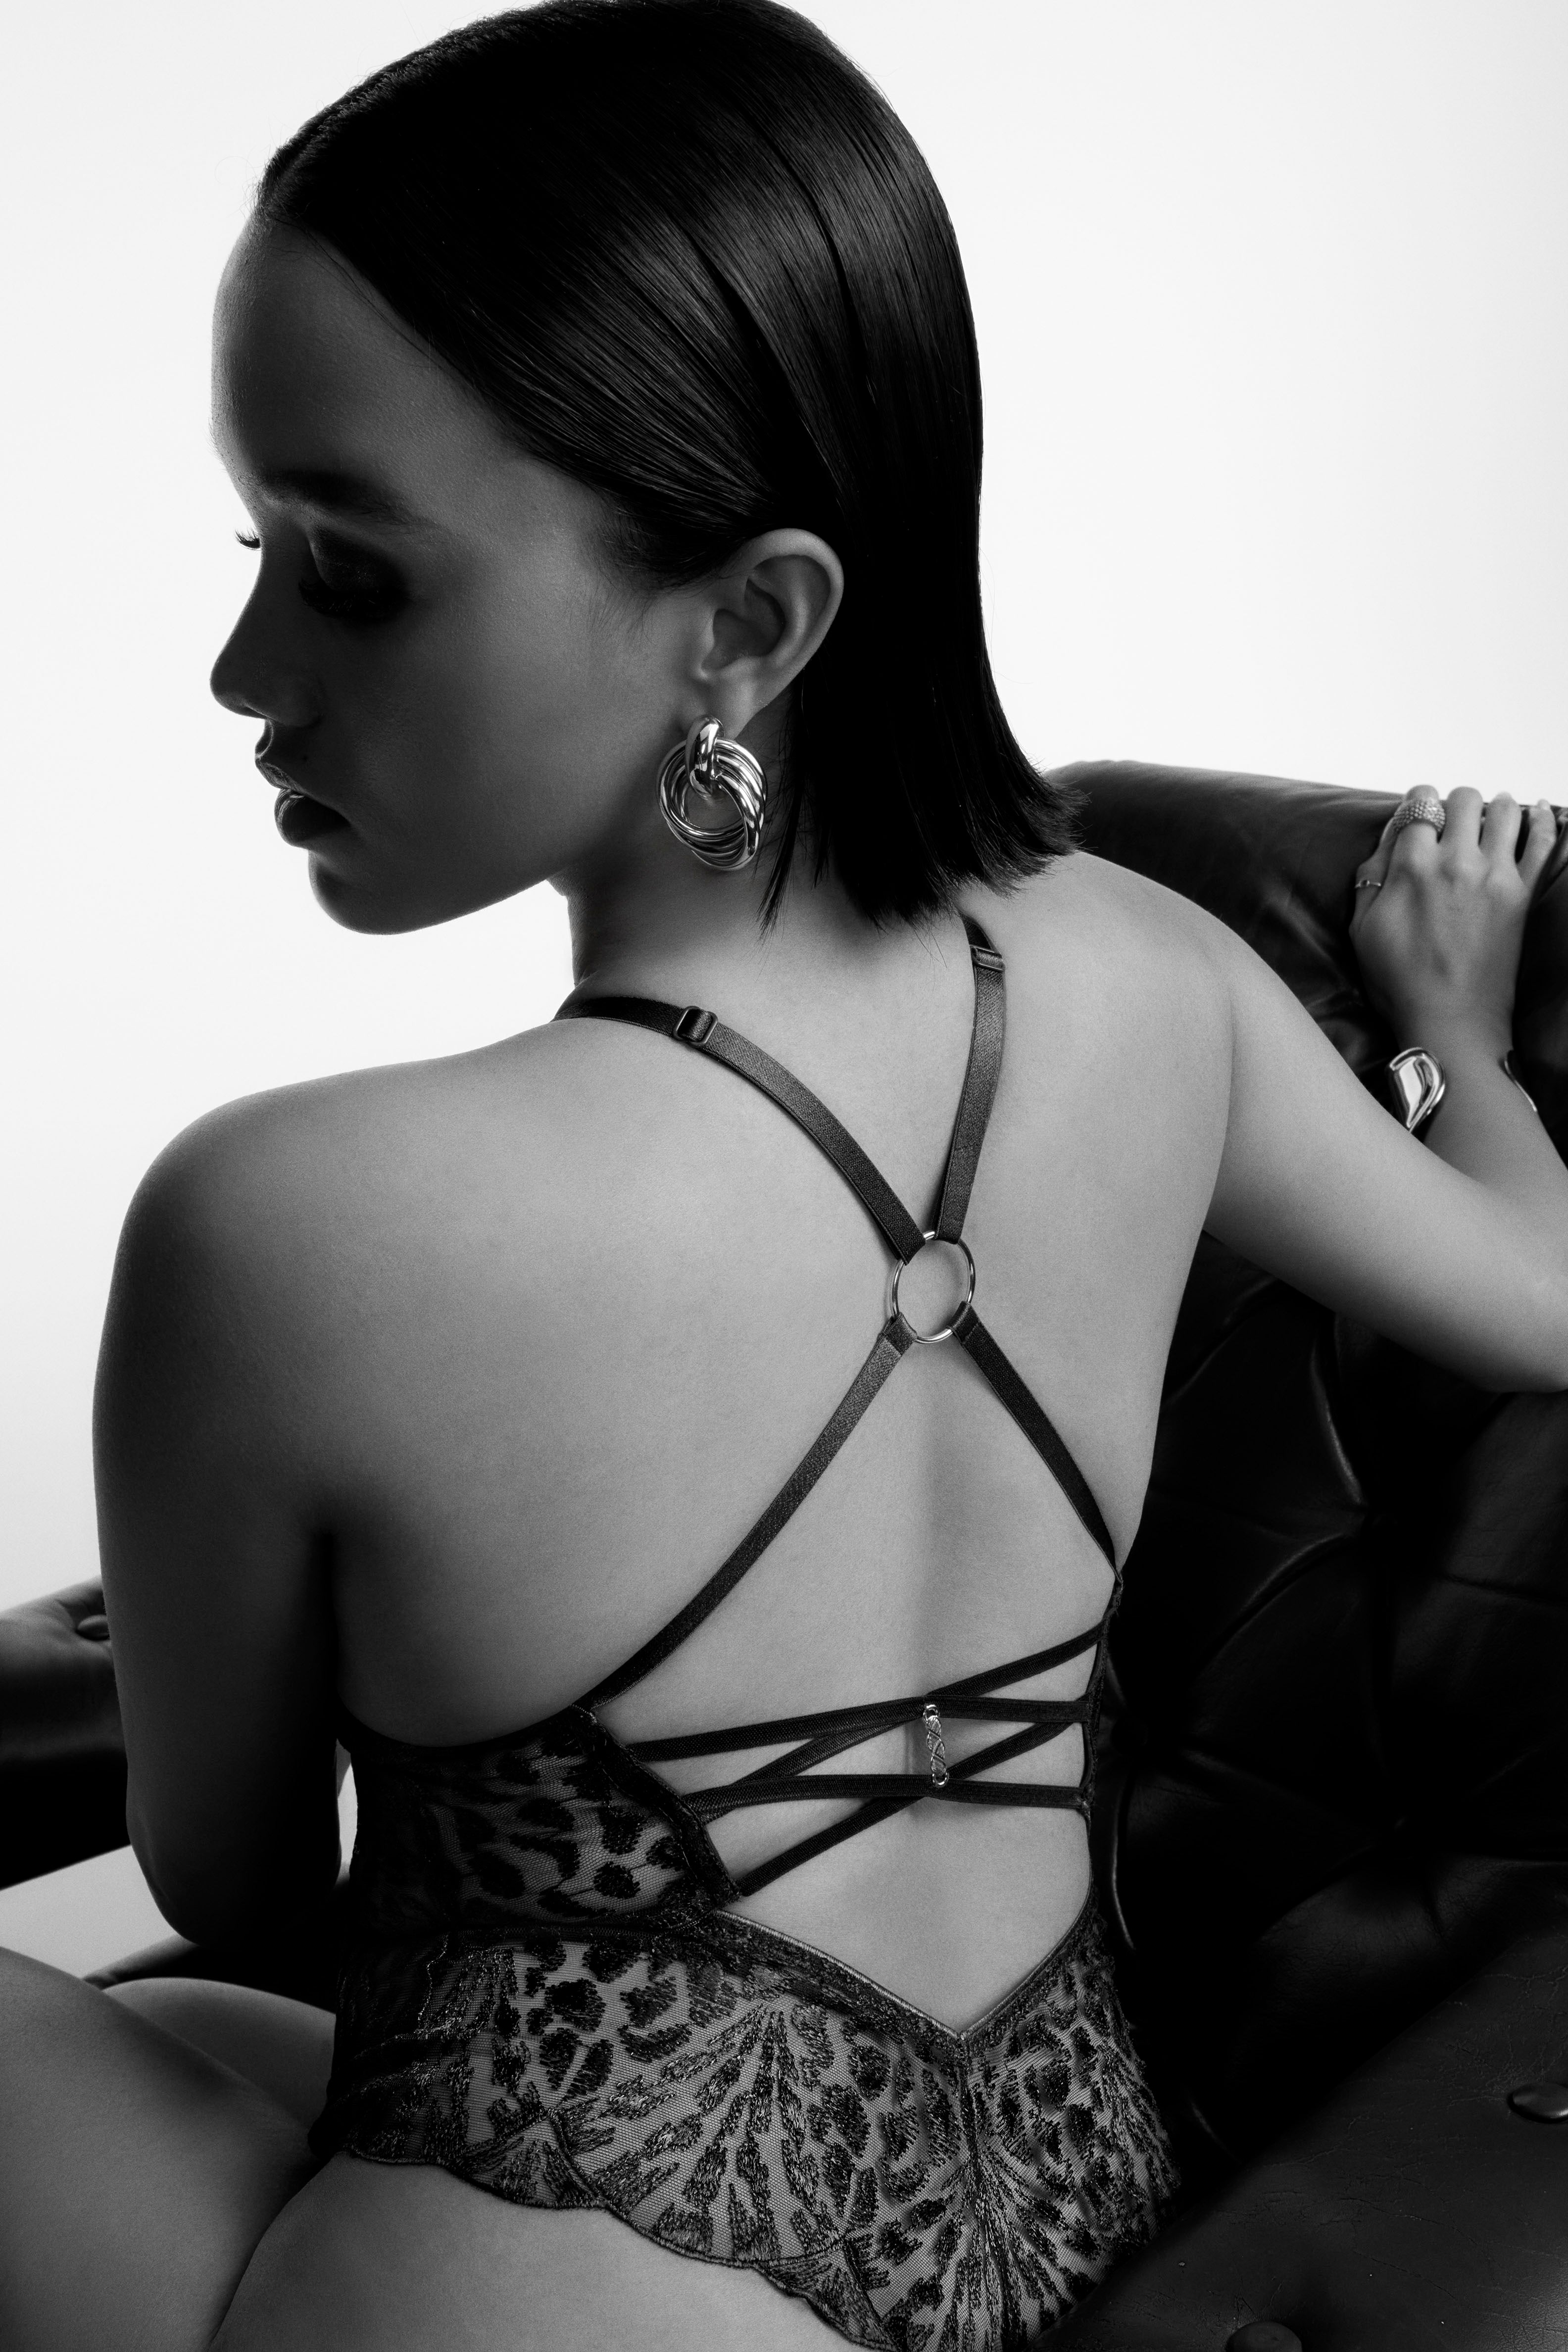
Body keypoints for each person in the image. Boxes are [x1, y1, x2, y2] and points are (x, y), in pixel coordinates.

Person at [3, 1, 1567, 2346]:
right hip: (1048, 2225)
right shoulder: (1155, 975)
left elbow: (233, 1880)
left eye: (351, 573)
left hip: (570, 2282)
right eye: (256, 547)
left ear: (750, 623)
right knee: (202, 2056)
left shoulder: (285, 1220)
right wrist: (1455, 1036)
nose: (246, 671)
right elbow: (1550, 1299)